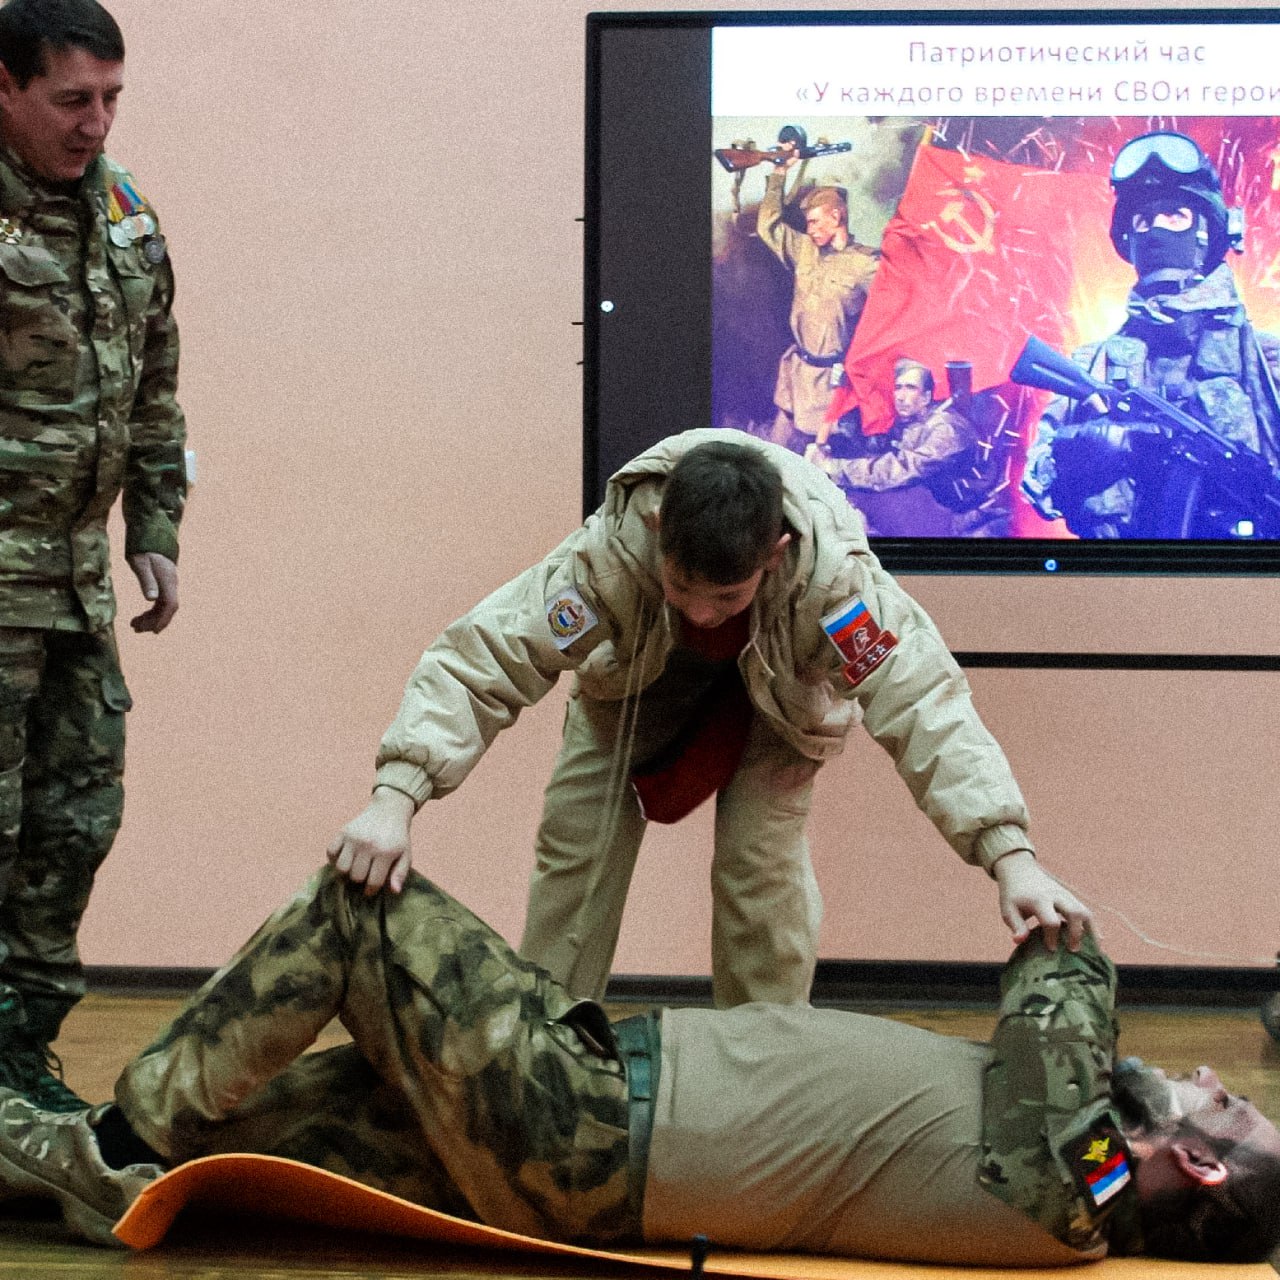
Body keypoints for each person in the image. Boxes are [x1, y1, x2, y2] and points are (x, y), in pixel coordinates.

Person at [0, 862, 1277, 1266]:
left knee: (359, 907)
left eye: (1226, 1103)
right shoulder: (1071, 1169)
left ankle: (118, 1142)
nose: (1208, 1078)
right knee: (252, 1142)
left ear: (1201, 1169)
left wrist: (1067, 932)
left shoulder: (1083, 1196)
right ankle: (61, 1157)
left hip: (590, 1125)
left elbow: (1051, 1022)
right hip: (587, 1103)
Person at [328, 429, 1089, 1010]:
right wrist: (394, 799)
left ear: (776, 553)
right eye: (685, 585)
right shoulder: (610, 561)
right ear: (660, 532)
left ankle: (761, 1069)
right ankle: (544, 1052)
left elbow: (926, 707)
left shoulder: (837, 587)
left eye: (725, 599)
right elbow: (483, 659)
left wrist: (1008, 855)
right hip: (630, 688)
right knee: (575, 854)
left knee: (761, 873)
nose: (700, 610)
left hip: (782, 700)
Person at [0, 0, 187, 1111]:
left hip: (69, 590)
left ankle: (18, 1063)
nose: (97, 123)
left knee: (72, 824)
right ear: (7, 87)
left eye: (112, 98)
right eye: (73, 100)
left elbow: (155, 384)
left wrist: (153, 528)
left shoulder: (124, 213)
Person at [1021, 130, 1280, 539]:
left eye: (1175, 215)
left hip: (1243, 582)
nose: (1156, 228)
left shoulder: (1264, 359)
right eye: (1143, 220)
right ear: (1129, 240)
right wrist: (1079, 453)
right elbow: (1037, 487)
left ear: (1207, 233)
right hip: (1119, 580)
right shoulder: (1093, 363)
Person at [757, 144, 879, 454]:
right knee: (774, 454)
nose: (809, 229)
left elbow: (891, 313)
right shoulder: (804, 249)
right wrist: (779, 172)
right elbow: (767, 226)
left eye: (814, 221)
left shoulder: (866, 264)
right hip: (796, 371)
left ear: (836, 216)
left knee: (819, 464)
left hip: (831, 382)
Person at [813, 356, 1013, 536]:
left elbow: (901, 468)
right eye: (898, 387)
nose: (900, 396)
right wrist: (843, 394)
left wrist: (833, 467)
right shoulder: (911, 419)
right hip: (940, 506)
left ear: (926, 397)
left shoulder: (946, 429)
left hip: (970, 516)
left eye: (910, 388)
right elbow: (877, 447)